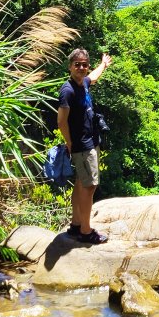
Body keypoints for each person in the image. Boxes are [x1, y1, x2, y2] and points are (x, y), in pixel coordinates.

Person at [57, 48, 112, 244]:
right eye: (77, 64)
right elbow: (61, 121)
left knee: (81, 183)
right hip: (82, 145)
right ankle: (86, 231)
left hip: (90, 141)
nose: (81, 68)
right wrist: (70, 143)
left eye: (84, 64)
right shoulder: (68, 90)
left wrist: (103, 64)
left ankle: (76, 225)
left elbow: (94, 77)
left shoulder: (84, 83)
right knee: (90, 186)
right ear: (70, 66)